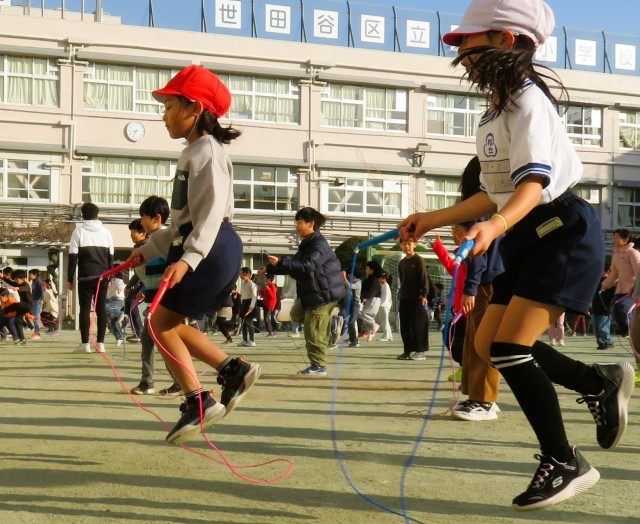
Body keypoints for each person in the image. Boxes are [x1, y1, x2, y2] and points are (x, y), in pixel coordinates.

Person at [399, 0, 635, 510]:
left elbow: (532, 185)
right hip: (527, 233)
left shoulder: (528, 102)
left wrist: (496, 224)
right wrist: (431, 218)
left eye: (468, 40)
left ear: (505, 40)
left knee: (507, 347)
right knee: (490, 344)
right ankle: (596, 381)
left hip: (560, 230)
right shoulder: (496, 110)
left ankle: (564, 460)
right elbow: (494, 193)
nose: (461, 52)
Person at [127, 65, 261, 445]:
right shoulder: (196, 151)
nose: (164, 115)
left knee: (159, 323)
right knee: (167, 323)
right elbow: (181, 223)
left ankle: (199, 399)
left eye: (169, 106)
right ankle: (231, 370)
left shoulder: (207, 151)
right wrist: (146, 251)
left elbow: (212, 213)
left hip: (212, 245)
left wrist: (189, 258)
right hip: (209, 244)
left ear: (194, 108)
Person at [266, 207, 345, 376]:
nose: (297, 226)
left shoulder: (319, 245)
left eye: (300, 222)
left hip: (323, 294)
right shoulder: (307, 245)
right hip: (313, 293)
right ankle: (331, 323)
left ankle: (318, 366)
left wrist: (281, 262)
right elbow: (294, 267)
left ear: (311, 224)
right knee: (296, 313)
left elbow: (308, 265)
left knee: (312, 328)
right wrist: (269, 268)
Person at [68, 202, 114, 354]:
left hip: (85, 277)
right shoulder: (106, 233)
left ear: (83, 216)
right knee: (101, 309)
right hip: (102, 277)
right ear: (97, 216)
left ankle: (85, 344)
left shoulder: (78, 232)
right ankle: (100, 343)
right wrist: (109, 277)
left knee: (84, 309)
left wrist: (69, 278)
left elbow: (73, 257)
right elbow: (110, 258)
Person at [600, 228, 640, 337]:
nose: (614, 239)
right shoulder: (616, 255)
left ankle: (631, 330)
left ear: (626, 239)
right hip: (620, 289)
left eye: (617, 237)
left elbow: (638, 271)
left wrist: (636, 289)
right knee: (613, 307)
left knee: (624, 308)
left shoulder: (633, 253)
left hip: (632, 289)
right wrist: (604, 285)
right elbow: (614, 274)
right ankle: (624, 330)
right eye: (614, 237)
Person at [397, 238, 430, 361]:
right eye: (404, 244)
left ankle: (420, 351)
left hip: (417, 298)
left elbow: (424, 279)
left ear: (415, 244)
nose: (407, 246)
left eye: (409, 244)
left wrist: (424, 295)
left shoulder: (419, 260)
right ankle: (408, 350)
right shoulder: (402, 263)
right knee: (405, 326)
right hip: (405, 297)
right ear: (401, 246)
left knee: (418, 325)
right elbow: (402, 280)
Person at [124, 219, 146, 342]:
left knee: (132, 302)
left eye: (133, 232)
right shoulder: (138, 247)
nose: (131, 235)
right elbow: (139, 272)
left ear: (143, 233)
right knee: (130, 301)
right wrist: (129, 285)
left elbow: (147, 271)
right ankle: (138, 332)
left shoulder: (146, 247)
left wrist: (144, 289)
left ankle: (140, 332)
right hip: (144, 282)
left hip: (152, 283)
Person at [2, 269, 32, 344]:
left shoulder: (26, 284)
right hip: (23, 307)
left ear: (23, 278)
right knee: (17, 320)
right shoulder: (18, 283)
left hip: (27, 305)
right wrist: (2, 277)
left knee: (9, 308)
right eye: (14, 279)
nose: (15, 281)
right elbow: (10, 282)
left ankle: (3, 313)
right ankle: (22, 339)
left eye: (16, 279)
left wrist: (18, 288)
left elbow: (25, 288)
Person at [359, 260, 382, 342]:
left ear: (372, 270)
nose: (366, 270)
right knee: (367, 315)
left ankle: (374, 325)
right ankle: (371, 332)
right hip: (371, 299)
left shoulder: (373, 279)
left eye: (367, 268)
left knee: (364, 313)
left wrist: (365, 296)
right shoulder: (370, 278)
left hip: (373, 299)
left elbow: (372, 290)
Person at [592, 268, 614, 350]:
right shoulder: (596, 280)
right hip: (595, 308)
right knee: (596, 328)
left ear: (607, 271)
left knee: (603, 328)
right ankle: (601, 343)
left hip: (605, 309)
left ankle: (608, 342)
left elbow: (613, 293)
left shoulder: (610, 282)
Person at [105, 271, 126, 346]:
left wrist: (119, 289)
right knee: (113, 320)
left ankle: (121, 314)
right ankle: (119, 337)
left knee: (105, 309)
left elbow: (121, 285)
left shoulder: (117, 280)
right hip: (110, 300)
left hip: (118, 300)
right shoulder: (109, 281)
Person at [238, 267, 258, 347]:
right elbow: (242, 296)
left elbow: (254, 297)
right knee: (243, 323)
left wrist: (251, 306)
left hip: (250, 303)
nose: (240, 275)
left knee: (249, 322)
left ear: (247, 274)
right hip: (244, 303)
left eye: (241, 273)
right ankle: (244, 340)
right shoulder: (243, 284)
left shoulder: (252, 284)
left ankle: (252, 341)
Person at [28, 269, 44, 340]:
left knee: (36, 317)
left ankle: (37, 333)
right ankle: (36, 332)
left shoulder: (38, 281)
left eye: (30, 274)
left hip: (38, 301)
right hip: (34, 300)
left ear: (35, 275)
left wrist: (42, 299)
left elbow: (42, 290)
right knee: (34, 317)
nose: (29, 276)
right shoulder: (34, 281)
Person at [377, 271, 393, 341]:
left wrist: (380, 304)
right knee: (385, 320)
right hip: (383, 305)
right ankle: (389, 335)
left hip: (384, 306)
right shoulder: (383, 285)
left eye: (380, 278)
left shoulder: (386, 286)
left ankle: (386, 335)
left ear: (384, 279)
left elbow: (385, 298)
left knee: (384, 321)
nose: (379, 279)